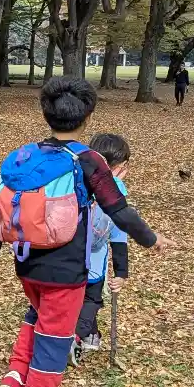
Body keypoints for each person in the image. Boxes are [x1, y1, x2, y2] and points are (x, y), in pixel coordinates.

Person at [0, 77, 175, 387]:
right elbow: (119, 210)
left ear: (46, 113)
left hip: (26, 263)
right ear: (88, 115)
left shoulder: (25, 156)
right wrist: (152, 239)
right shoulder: (88, 160)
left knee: (37, 317)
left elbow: (0, 208)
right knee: (56, 338)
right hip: (66, 271)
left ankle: (17, 374)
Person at [72, 133, 133, 363]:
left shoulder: (76, 180)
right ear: (119, 166)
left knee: (75, 300)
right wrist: (122, 273)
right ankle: (75, 338)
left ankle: (91, 336)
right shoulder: (117, 194)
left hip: (66, 258)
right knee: (91, 301)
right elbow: (119, 237)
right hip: (94, 263)